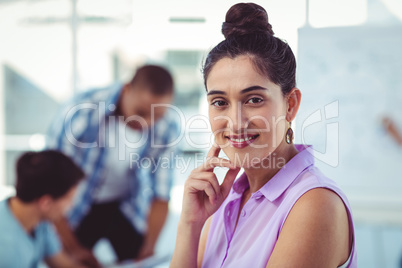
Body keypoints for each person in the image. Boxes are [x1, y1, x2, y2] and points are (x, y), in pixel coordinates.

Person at [170, 3, 357, 268]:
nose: (235, 123)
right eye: (220, 102)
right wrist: (190, 224)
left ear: (290, 105)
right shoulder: (222, 202)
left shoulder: (314, 204)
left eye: (254, 99)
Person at [47, 64, 180, 266]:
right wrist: (73, 249)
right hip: (77, 206)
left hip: (124, 205)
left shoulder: (167, 125)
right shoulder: (81, 111)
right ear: (127, 89)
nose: (147, 123)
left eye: (157, 115)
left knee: (141, 259)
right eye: (141, 112)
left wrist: (149, 248)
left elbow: (161, 194)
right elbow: (51, 184)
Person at [0, 150, 85, 268]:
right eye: (69, 199)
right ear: (46, 203)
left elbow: (62, 263)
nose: (71, 206)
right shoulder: (6, 252)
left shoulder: (38, 221)